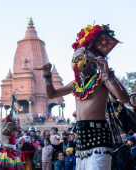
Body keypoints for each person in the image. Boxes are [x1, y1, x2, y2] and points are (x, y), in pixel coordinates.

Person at [38, 24, 129, 170]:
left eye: (80, 56)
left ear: (93, 59)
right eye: (75, 57)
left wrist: (107, 75)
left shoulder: (102, 78)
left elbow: (123, 98)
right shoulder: (76, 84)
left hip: (99, 137)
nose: (76, 61)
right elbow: (52, 94)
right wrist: (47, 75)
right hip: (81, 140)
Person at [0, 95, 23, 170]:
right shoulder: (6, 128)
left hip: (13, 150)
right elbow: (4, 133)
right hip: (7, 150)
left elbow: (18, 133)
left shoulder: (14, 127)